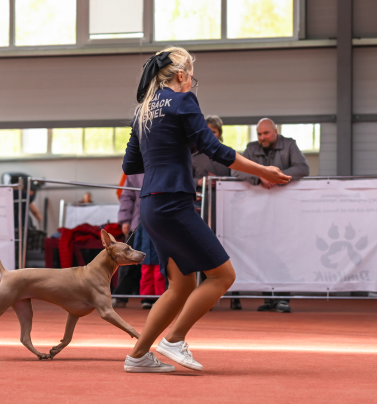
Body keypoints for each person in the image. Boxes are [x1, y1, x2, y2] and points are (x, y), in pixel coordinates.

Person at [122, 47, 291, 373]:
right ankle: (174, 340)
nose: (192, 83)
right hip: (174, 202)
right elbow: (215, 149)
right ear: (181, 75)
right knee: (223, 275)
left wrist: (169, 148)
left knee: (181, 285)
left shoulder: (143, 111)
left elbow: (130, 164)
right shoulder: (183, 101)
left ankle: (138, 355)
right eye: (192, 77)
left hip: (151, 205)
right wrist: (263, 171)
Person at [231, 118, 310, 313]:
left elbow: (303, 168)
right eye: (259, 134)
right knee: (262, 253)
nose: (262, 137)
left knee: (283, 252)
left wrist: (278, 177)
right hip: (258, 214)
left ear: (276, 132)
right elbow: (235, 172)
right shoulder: (251, 149)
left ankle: (282, 298)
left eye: (266, 133)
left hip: (285, 212)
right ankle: (268, 297)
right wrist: (259, 176)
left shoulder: (289, 145)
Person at [193, 115, 242, 310]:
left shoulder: (227, 154)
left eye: (213, 131)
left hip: (225, 210)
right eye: (206, 130)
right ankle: (207, 296)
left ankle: (235, 295)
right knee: (205, 252)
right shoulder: (191, 155)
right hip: (200, 210)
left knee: (230, 251)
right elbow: (182, 178)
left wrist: (223, 182)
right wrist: (198, 182)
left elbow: (238, 177)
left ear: (219, 133)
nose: (210, 134)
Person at [114, 174, 143, 308]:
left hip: (162, 224)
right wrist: (125, 219)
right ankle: (120, 296)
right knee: (128, 260)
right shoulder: (135, 170)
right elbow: (126, 196)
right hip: (137, 222)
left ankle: (158, 298)